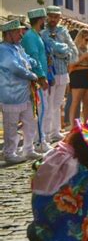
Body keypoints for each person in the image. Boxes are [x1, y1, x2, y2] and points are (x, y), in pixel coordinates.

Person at [0, 20, 44, 163]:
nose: (21, 35)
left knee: (30, 121)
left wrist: (33, 62)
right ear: (8, 34)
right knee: (11, 124)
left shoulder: (17, 47)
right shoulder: (3, 49)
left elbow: (26, 60)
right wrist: (32, 75)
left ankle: (28, 149)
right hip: (11, 94)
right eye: (17, 32)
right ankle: (9, 153)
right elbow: (14, 67)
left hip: (25, 92)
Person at [40, 5, 78, 140]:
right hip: (50, 72)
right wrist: (63, 52)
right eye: (51, 16)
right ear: (47, 17)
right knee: (48, 104)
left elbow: (73, 50)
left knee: (58, 103)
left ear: (59, 18)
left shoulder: (63, 31)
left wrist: (64, 54)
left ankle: (55, 131)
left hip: (63, 71)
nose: (53, 19)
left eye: (56, 17)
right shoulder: (43, 32)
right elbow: (52, 48)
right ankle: (46, 133)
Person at [21, 8, 51, 154]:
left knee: (40, 110)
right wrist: (42, 76)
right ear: (40, 20)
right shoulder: (31, 37)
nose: (45, 22)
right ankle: (39, 142)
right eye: (44, 19)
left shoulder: (34, 35)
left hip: (37, 78)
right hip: (36, 79)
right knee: (39, 111)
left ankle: (38, 140)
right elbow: (34, 58)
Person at [68, 29, 88, 125]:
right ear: (80, 38)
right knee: (76, 102)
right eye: (86, 40)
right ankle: (74, 126)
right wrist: (83, 57)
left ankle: (86, 124)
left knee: (87, 103)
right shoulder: (74, 49)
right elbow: (70, 65)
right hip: (78, 75)